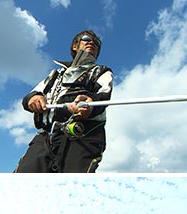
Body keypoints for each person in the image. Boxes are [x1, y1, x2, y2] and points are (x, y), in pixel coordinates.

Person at [15, 30, 113, 173]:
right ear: (75, 46)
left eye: (97, 43)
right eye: (87, 39)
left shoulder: (102, 72)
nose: (92, 42)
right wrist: (34, 98)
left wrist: (89, 105)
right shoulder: (55, 74)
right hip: (46, 137)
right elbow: (30, 96)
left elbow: (103, 96)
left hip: (84, 136)